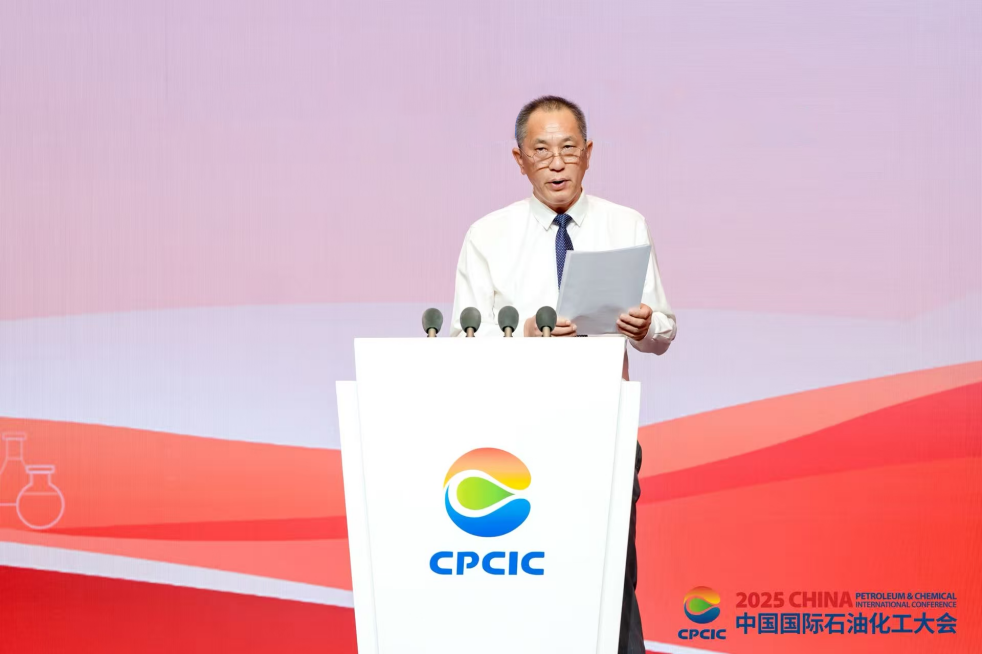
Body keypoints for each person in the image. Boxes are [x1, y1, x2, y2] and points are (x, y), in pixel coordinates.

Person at [449, 95, 677, 654]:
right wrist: (523, 335)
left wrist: (645, 324)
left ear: (589, 154)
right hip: (518, 438)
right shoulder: (488, 235)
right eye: (542, 151)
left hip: (604, 428)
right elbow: (460, 342)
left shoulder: (625, 224)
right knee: (532, 580)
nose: (556, 163)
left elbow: (663, 330)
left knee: (611, 580)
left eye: (569, 149)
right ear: (519, 159)